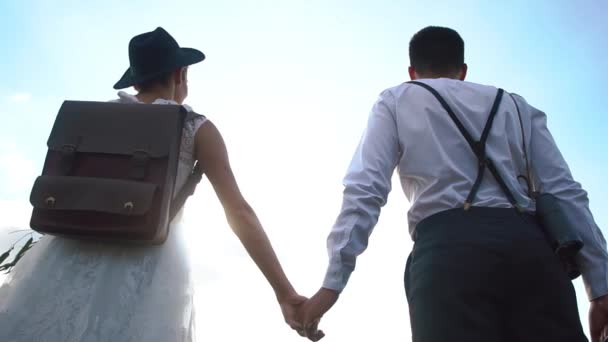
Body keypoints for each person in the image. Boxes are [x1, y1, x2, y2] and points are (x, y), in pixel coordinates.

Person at [297, 26, 608, 342]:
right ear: (463, 70)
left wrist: (332, 284)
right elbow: (565, 191)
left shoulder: (396, 99)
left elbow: (365, 189)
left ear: (412, 71)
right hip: (532, 252)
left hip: (449, 255)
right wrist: (600, 289)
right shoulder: (516, 105)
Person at [0, 27, 304, 341]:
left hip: (65, 260)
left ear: (135, 79)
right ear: (179, 73)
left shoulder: (96, 117)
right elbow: (239, 213)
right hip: (144, 268)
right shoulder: (196, 127)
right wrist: (285, 292)